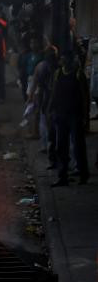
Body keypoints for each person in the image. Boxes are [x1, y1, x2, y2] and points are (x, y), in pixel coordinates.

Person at [49, 52, 90, 186]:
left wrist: (85, 116)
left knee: (78, 146)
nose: (62, 60)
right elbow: (54, 93)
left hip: (75, 115)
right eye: (61, 57)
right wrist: (51, 110)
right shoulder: (58, 73)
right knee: (61, 146)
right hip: (61, 115)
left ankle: (83, 174)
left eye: (64, 57)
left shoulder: (78, 74)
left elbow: (85, 97)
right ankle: (63, 176)